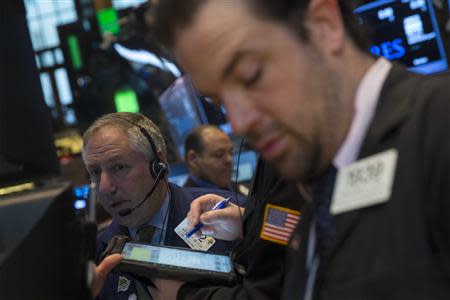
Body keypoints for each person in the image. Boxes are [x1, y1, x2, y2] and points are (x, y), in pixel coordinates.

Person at [149, 0, 450, 299]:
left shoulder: (438, 128)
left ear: (324, 25)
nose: (239, 124)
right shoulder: (318, 185)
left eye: (251, 75)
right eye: (220, 101)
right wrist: (249, 224)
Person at [82, 112, 238, 300]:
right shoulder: (94, 256)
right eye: (95, 172)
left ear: (159, 164)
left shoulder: (230, 217)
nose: (105, 187)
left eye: (119, 167)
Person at [184, 125, 248, 196]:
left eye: (231, 153)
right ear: (193, 158)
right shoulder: (185, 203)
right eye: (219, 154)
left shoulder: (242, 189)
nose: (229, 160)